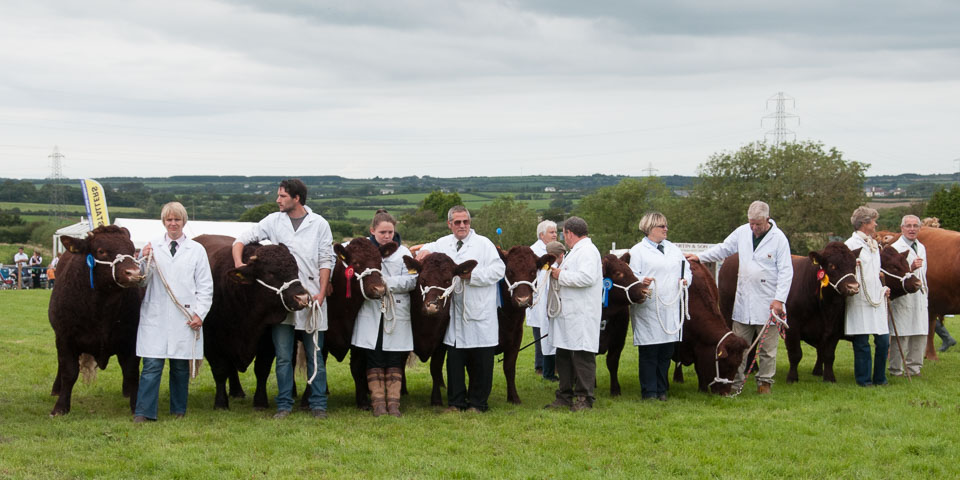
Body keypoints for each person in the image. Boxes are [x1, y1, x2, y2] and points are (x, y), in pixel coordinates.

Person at [233, 179, 334, 419]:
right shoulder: (273, 221)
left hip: (311, 296)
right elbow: (241, 239)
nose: (278, 200)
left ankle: (318, 404)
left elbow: (325, 260)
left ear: (296, 198)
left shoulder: (319, 224)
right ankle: (284, 405)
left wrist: (321, 292)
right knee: (283, 356)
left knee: (315, 355)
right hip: (282, 300)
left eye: (282, 196)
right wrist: (238, 263)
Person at [687, 201, 792, 395]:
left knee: (768, 349)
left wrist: (779, 300)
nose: (754, 227)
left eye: (758, 224)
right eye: (751, 223)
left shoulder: (779, 239)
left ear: (767, 220)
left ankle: (764, 383)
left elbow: (786, 272)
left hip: (768, 302)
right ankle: (735, 382)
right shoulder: (742, 232)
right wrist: (700, 257)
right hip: (744, 302)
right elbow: (724, 248)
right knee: (738, 346)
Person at [416, 205, 505, 413]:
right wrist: (425, 251)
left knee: (481, 363)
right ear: (450, 224)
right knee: (454, 362)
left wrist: (472, 276)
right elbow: (428, 248)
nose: (462, 225)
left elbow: (499, 270)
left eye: (465, 221)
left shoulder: (484, 244)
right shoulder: (443, 243)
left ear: (470, 222)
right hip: (453, 313)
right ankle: (456, 403)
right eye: (457, 222)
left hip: (479, 310)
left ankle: (478, 403)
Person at [133, 202, 213, 423]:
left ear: (183, 222)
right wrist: (143, 258)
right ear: (163, 222)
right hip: (156, 316)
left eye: (177, 219)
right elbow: (141, 281)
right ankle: (144, 412)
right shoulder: (152, 247)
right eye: (169, 220)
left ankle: (178, 410)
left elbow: (205, 286)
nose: (173, 224)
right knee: (151, 365)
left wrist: (200, 314)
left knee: (180, 367)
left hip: (184, 316)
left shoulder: (197, 250)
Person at [352, 209, 416, 417]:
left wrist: (385, 283)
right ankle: (378, 403)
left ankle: (394, 404)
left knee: (395, 357)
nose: (387, 236)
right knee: (375, 356)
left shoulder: (403, 252)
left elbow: (412, 280)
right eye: (383, 232)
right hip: (371, 310)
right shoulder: (364, 250)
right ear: (372, 231)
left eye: (390, 232)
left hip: (396, 309)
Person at [628, 212, 691, 401]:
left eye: (666, 226)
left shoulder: (673, 249)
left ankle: (662, 390)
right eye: (661, 226)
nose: (666, 229)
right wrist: (641, 280)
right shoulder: (637, 251)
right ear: (649, 229)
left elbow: (685, 269)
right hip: (649, 306)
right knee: (649, 351)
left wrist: (686, 279)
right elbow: (631, 275)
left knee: (666, 351)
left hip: (670, 306)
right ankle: (649, 391)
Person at [544, 216, 602, 412]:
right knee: (564, 355)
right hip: (568, 315)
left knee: (582, 355)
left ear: (569, 233)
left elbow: (586, 278)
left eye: (564, 234)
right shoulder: (575, 252)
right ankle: (565, 395)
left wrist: (561, 275)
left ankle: (584, 398)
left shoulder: (587, 251)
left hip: (581, 314)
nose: (563, 237)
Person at [844, 206, 890, 387]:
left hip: (876, 297)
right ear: (864, 223)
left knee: (883, 341)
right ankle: (864, 380)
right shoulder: (850, 245)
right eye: (873, 221)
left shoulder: (873, 245)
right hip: (860, 298)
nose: (876, 224)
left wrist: (883, 287)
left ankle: (880, 378)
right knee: (862, 342)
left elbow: (875, 271)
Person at [888, 215, 928, 377]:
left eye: (915, 226)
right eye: (908, 226)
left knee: (920, 333)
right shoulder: (895, 249)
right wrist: (910, 268)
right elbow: (894, 275)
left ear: (919, 228)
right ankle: (896, 369)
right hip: (903, 297)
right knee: (901, 334)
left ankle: (914, 368)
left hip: (920, 295)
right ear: (901, 228)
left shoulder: (922, 247)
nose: (912, 229)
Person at [527, 220, 558, 378]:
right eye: (551, 232)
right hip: (539, 297)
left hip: (553, 296)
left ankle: (554, 365)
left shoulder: (558, 249)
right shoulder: (533, 251)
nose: (555, 235)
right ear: (541, 235)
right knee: (540, 332)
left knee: (554, 331)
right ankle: (540, 365)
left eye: (555, 232)